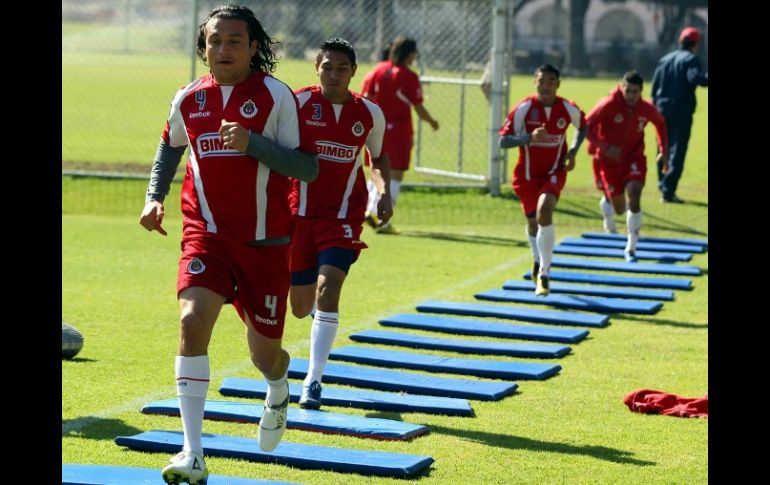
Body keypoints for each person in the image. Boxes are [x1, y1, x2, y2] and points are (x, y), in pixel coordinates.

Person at [138, 5, 318, 484]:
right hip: (206, 236)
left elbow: (307, 168)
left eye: (235, 41)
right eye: (215, 41)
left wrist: (254, 143)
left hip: (266, 244)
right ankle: (192, 452)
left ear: (254, 47)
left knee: (265, 355)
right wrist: (154, 197)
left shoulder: (276, 97)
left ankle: (278, 384)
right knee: (192, 321)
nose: (223, 49)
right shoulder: (189, 97)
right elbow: (170, 144)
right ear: (204, 47)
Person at [289, 38, 393, 410]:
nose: (334, 74)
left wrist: (383, 191)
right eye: (327, 67)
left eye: (342, 68)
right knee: (300, 307)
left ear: (353, 72)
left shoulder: (369, 113)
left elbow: (378, 157)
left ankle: (312, 381)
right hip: (296, 215)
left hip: (344, 217)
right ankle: (320, 317)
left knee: (328, 287)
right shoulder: (297, 103)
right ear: (317, 69)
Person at [498, 64, 586, 296]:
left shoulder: (567, 108)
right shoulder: (525, 108)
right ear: (534, 82)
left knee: (544, 211)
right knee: (532, 224)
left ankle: (545, 274)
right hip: (526, 176)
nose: (545, 85)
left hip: (554, 171)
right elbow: (503, 141)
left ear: (558, 84)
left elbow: (583, 127)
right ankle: (537, 260)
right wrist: (528, 137)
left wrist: (573, 152)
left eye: (550, 81)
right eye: (541, 81)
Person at [585, 71, 669, 262]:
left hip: (634, 158)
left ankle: (631, 247)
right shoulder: (608, 104)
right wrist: (604, 147)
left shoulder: (646, 108)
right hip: (609, 161)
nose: (631, 95)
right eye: (628, 91)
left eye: (635, 92)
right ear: (622, 88)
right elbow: (585, 126)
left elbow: (661, 124)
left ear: (641, 92)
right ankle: (607, 211)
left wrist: (663, 151)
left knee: (634, 193)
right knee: (619, 208)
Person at [360, 36, 440, 234]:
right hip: (398, 131)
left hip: (374, 127)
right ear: (410, 54)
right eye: (414, 53)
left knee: (376, 170)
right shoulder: (408, 76)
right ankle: (383, 221)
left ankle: (368, 208)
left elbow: (364, 98)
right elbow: (418, 107)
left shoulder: (376, 71)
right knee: (395, 175)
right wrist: (432, 121)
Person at [651, 26, 708, 203]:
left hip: (661, 108)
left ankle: (662, 184)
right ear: (697, 43)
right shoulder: (691, 59)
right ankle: (669, 189)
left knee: (663, 147)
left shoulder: (665, 59)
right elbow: (696, 79)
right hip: (681, 110)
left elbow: (654, 86)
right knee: (678, 150)